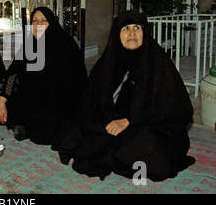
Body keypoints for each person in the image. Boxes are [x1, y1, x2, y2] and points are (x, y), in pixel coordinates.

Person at [58, 10, 195, 181]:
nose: (131, 33)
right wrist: (106, 118)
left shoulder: (157, 62)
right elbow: (91, 100)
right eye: (126, 28)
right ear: (117, 34)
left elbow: (174, 109)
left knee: (144, 146)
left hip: (150, 125)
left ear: (144, 32)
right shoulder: (108, 62)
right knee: (81, 132)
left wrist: (129, 120)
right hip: (113, 118)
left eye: (137, 27)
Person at [0, 7, 88, 149]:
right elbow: (13, 72)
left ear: (52, 23)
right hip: (32, 98)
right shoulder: (29, 44)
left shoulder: (66, 45)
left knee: (45, 119)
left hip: (61, 102)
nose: (39, 25)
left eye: (44, 20)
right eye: (35, 21)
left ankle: (26, 127)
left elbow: (75, 87)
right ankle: (24, 125)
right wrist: (1, 99)